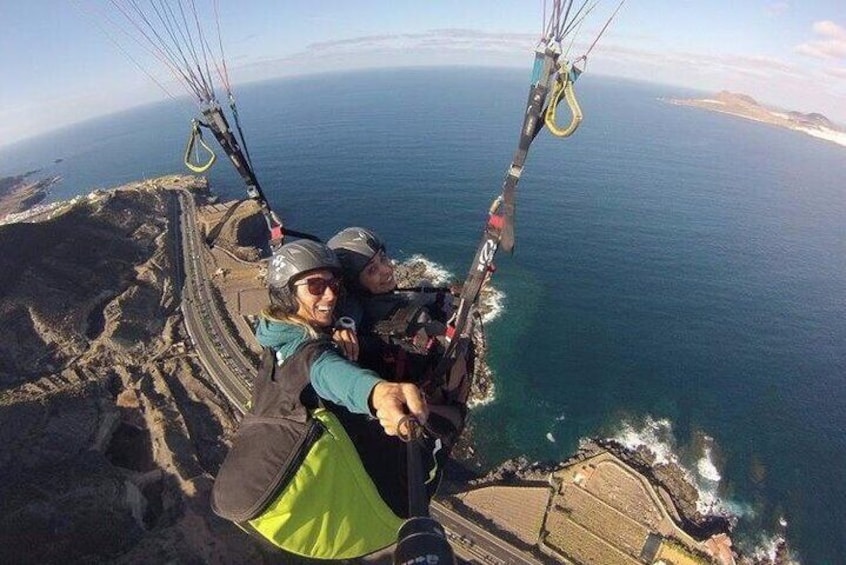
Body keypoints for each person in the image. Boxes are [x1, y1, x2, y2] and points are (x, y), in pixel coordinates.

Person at [212, 239, 435, 560]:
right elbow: (327, 372)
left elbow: (349, 304)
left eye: (334, 284)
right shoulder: (307, 353)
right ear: (287, 295)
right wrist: (378, 393)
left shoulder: (277, 330)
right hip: (305, 512)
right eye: (316, 286)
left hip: (270, 502)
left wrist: (345, 321)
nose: (329, 294)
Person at [327, 227, 472, 446]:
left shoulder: (381, 301)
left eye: (383, 258)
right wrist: (343, 325)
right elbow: (351, 312)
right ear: (353, 283)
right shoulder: (361, 320)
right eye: (371, 270)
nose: (387, 269)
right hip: (425, 409)